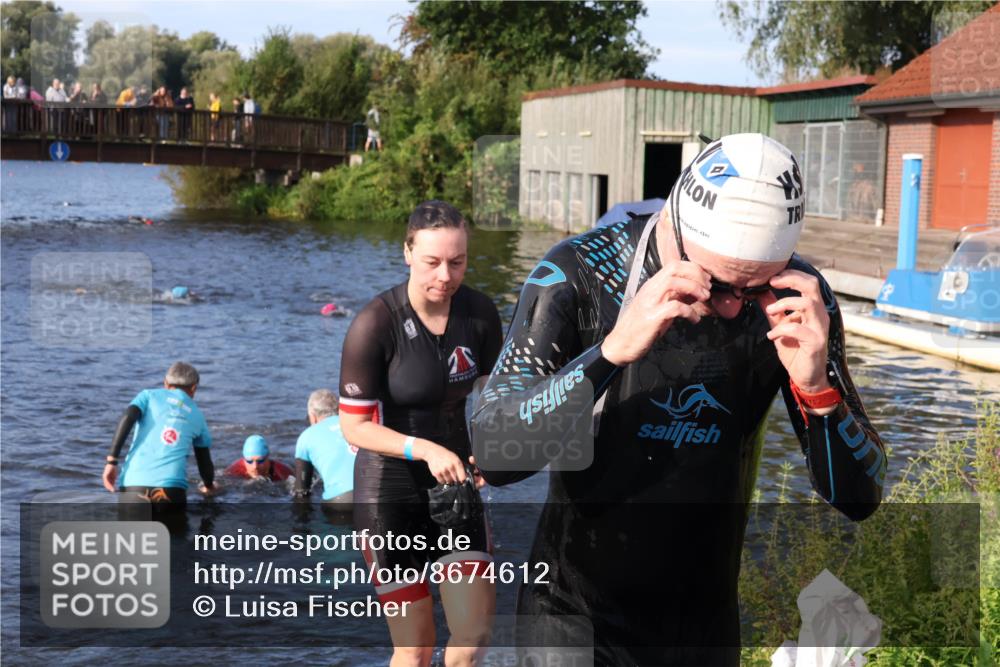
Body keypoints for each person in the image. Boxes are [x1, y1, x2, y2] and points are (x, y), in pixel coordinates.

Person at [471, 133, 887, 665]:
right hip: (570, 619)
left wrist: (817, 392)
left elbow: (861, 500)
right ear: (675, 226)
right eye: (715, 285)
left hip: (701, 630)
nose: (736, 309)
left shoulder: (799, 296)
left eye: (754, 289)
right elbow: (494, 451)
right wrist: (612, 351)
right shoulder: (581, 273)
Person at [339, 200, 503, 667]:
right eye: (433, 262)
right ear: (408, 252)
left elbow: (493, 396)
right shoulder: (374, 324)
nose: (446, 276)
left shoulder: (480, 314)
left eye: (458, 262)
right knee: (415, 649)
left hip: (455, 485)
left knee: (472, 637)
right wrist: (425, 449)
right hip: (389, 490)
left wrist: (491, 450)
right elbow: (354, 427)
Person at [102, 362, 218, 504]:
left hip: (134, 486)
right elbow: (204, 461)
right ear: (194, 388)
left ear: (166, 383)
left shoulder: (148, 396)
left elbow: (128, 417)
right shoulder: (198, 416)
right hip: (172, 491)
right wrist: (209, 486)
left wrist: (112, 461)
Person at [293, 389, 356, 505]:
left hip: (340, 501)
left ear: (312, 416)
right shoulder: (355, 424)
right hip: (374, 493)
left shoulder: (306, 436)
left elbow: (301, 491)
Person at [224, 434, 293, 482]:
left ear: (267, 457)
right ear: (244, 460)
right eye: (250, 461)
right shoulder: (233, 473)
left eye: (260, 461)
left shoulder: (283, 473)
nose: (255, 466)